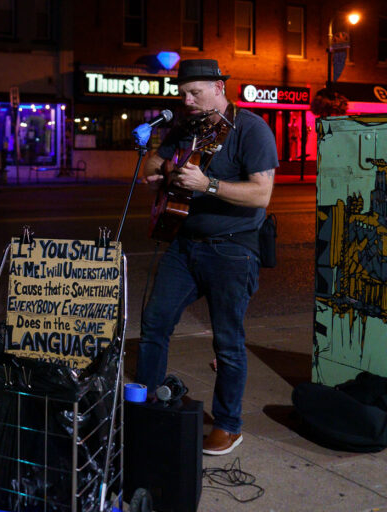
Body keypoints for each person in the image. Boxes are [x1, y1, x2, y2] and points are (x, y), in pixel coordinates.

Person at [132, 59, 278, 456]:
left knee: (228, 342)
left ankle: (228, 425)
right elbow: (152, 162)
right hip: (184, 243)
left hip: (233, 248)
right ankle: (145, 407)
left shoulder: (251, 129)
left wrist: (207, 184)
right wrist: (165, 169)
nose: (188, 100)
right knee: (154, 323)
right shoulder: (184, 127)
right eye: (182, 93)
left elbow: (261, 194)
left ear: (218, 87)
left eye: (195, 92)